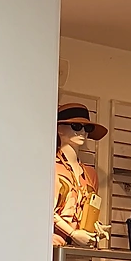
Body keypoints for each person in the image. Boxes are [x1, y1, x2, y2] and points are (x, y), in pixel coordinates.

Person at [53, 102, 106, 247]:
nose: (82, 132)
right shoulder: (51, 168)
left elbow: (89, 209)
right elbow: (46, 211)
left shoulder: (90, 174)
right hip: (53, 247)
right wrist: (72, 233)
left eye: (87, 128)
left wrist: (96, 227)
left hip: (80, 250)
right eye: (76, 126)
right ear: (59, 129)